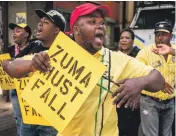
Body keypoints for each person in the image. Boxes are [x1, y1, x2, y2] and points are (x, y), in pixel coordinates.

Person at [3, 3, 166, 136]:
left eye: (102, 23)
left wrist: (140, 83)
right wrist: (32, 64)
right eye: (92, 22)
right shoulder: (57, 55)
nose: (101, 26)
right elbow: (10, 66)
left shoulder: (117, 59)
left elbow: (158, 79)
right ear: (76, 30)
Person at [3, 9, 66, 136]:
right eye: (40, 21)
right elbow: (10, 65)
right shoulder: (33, 45)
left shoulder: (65, 51)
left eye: (46, 22)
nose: (40, 24)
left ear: (56, 30)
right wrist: (30, 64)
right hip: (28, 118)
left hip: (51, 122)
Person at [136, 20, 175, 136]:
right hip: (150, 101)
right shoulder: (145, 52)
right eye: (157, 34)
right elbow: (136, 73)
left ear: (171, 36)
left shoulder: (174, 51)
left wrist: (172, 51)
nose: (160, 38)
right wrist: (158, 84)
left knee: (166, 134)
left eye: (164, 34)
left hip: (170, 102)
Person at [8, 23, 32, 136]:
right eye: (14, 31)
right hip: (14, 89)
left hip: (29, 90)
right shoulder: (9, 49)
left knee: (28, 121)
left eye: (18, 31)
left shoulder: (34, 47)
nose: (14, 33)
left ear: (26, 34)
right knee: (18, 119)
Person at [117, 28, 141, 136]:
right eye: (122, 38)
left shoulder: (140, 56)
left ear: (133, 41)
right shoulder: (115, 56)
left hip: (134, 98)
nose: (124, 40)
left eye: (127, 38)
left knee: (132, 129)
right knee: (119, 128)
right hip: (118, 97)